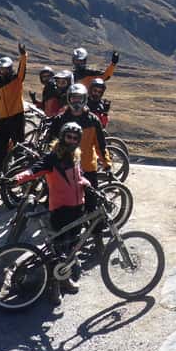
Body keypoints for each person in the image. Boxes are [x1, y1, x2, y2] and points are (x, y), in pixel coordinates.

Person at [13, 121, 91, 296]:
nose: (71, 140)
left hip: (77, 208)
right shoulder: (53, 157)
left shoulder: (76, 156)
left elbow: (79, 177)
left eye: (75, 138)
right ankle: (54, 287)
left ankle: (65, 279)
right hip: (60, 210)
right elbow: (35, 169)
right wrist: (18, 178)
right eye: (68, 137)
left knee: (70, 247)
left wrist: (86, 183)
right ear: (62, 137)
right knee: (58, 250)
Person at [49, 83, 110, 254]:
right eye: (73, 98)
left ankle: (97, 239)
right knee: (66, 211)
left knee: (93, 207)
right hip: (66, 172)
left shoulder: (92, 120)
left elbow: (101, 145)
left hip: (88, 169)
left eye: (79, 98)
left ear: (85, 100)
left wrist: (106, 163)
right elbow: (51, 145)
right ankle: (64, 249)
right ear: (68, 99)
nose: (76, 102)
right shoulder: (60, 120)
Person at [0, 43, 28, 183]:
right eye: (1, 69)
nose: (3, 72)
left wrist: (23, 56)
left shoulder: (16, 80)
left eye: (6, 69)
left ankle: (22, 177)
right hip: (3, 119)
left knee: (19, 148)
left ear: (10, 69)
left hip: (17, 117)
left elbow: (22, 70)